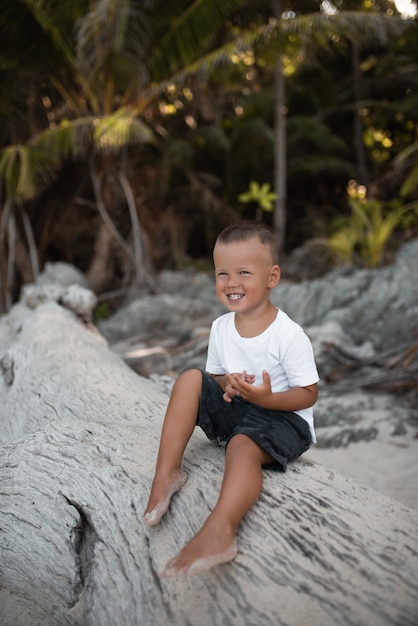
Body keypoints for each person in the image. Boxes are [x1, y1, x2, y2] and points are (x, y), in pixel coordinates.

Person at [143, 221, 319, 577]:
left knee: (241, 445)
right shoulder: (221, 327)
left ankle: (221, 529)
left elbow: (308, 394)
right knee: (191, 378)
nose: (231, 282)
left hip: (286, 419)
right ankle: (167, 474)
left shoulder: (288, 335)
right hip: (243, 408)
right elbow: (217, 375)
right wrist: (227, 385)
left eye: (243, 272)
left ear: (272, 277)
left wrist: (267, 399)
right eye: (222, 273)